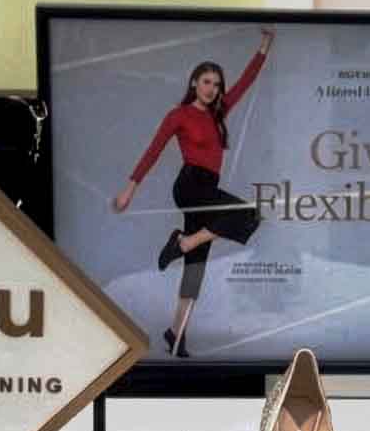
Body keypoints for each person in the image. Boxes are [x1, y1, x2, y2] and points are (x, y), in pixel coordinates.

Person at [113, 28, 274, 356]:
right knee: (248, 214)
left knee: (195, 266)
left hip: (207, 189)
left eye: (217, 84)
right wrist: (130, 189)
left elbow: (246, 81)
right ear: (193, 83)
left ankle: (176, 333)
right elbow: (153, 151)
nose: (212, 89)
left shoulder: (218, 114)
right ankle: (183, 242)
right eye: (206, 82)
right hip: (190, 187)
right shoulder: (179, 115)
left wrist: (264, 46)